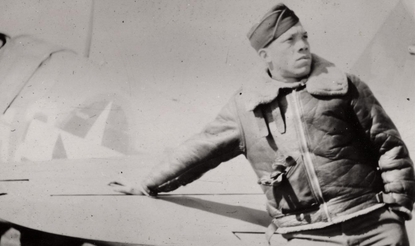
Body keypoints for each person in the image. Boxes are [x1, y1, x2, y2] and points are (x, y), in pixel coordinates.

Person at [111, 3, 415, 245]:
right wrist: (147, 184)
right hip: (307, 235)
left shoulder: (344, 86)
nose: (302, 46)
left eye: (305, 36)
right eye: (290, 40)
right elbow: (199, 149)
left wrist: (398, 208)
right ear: (265, 55)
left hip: (373, 225)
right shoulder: (244, 108)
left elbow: (388, 145)